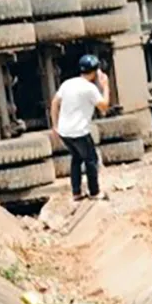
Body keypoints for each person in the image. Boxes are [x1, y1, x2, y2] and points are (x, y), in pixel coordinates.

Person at [50, 54, 110, 202]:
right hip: (79, 132)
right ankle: (95, 192)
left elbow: (54, 103)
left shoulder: (68, 83)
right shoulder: (90, 89)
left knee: (76, 159)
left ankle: (76, 193)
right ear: (96, 72)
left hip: (64, 132)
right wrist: (106, 86)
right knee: (91, 160)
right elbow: (104, 108)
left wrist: (55, 125)